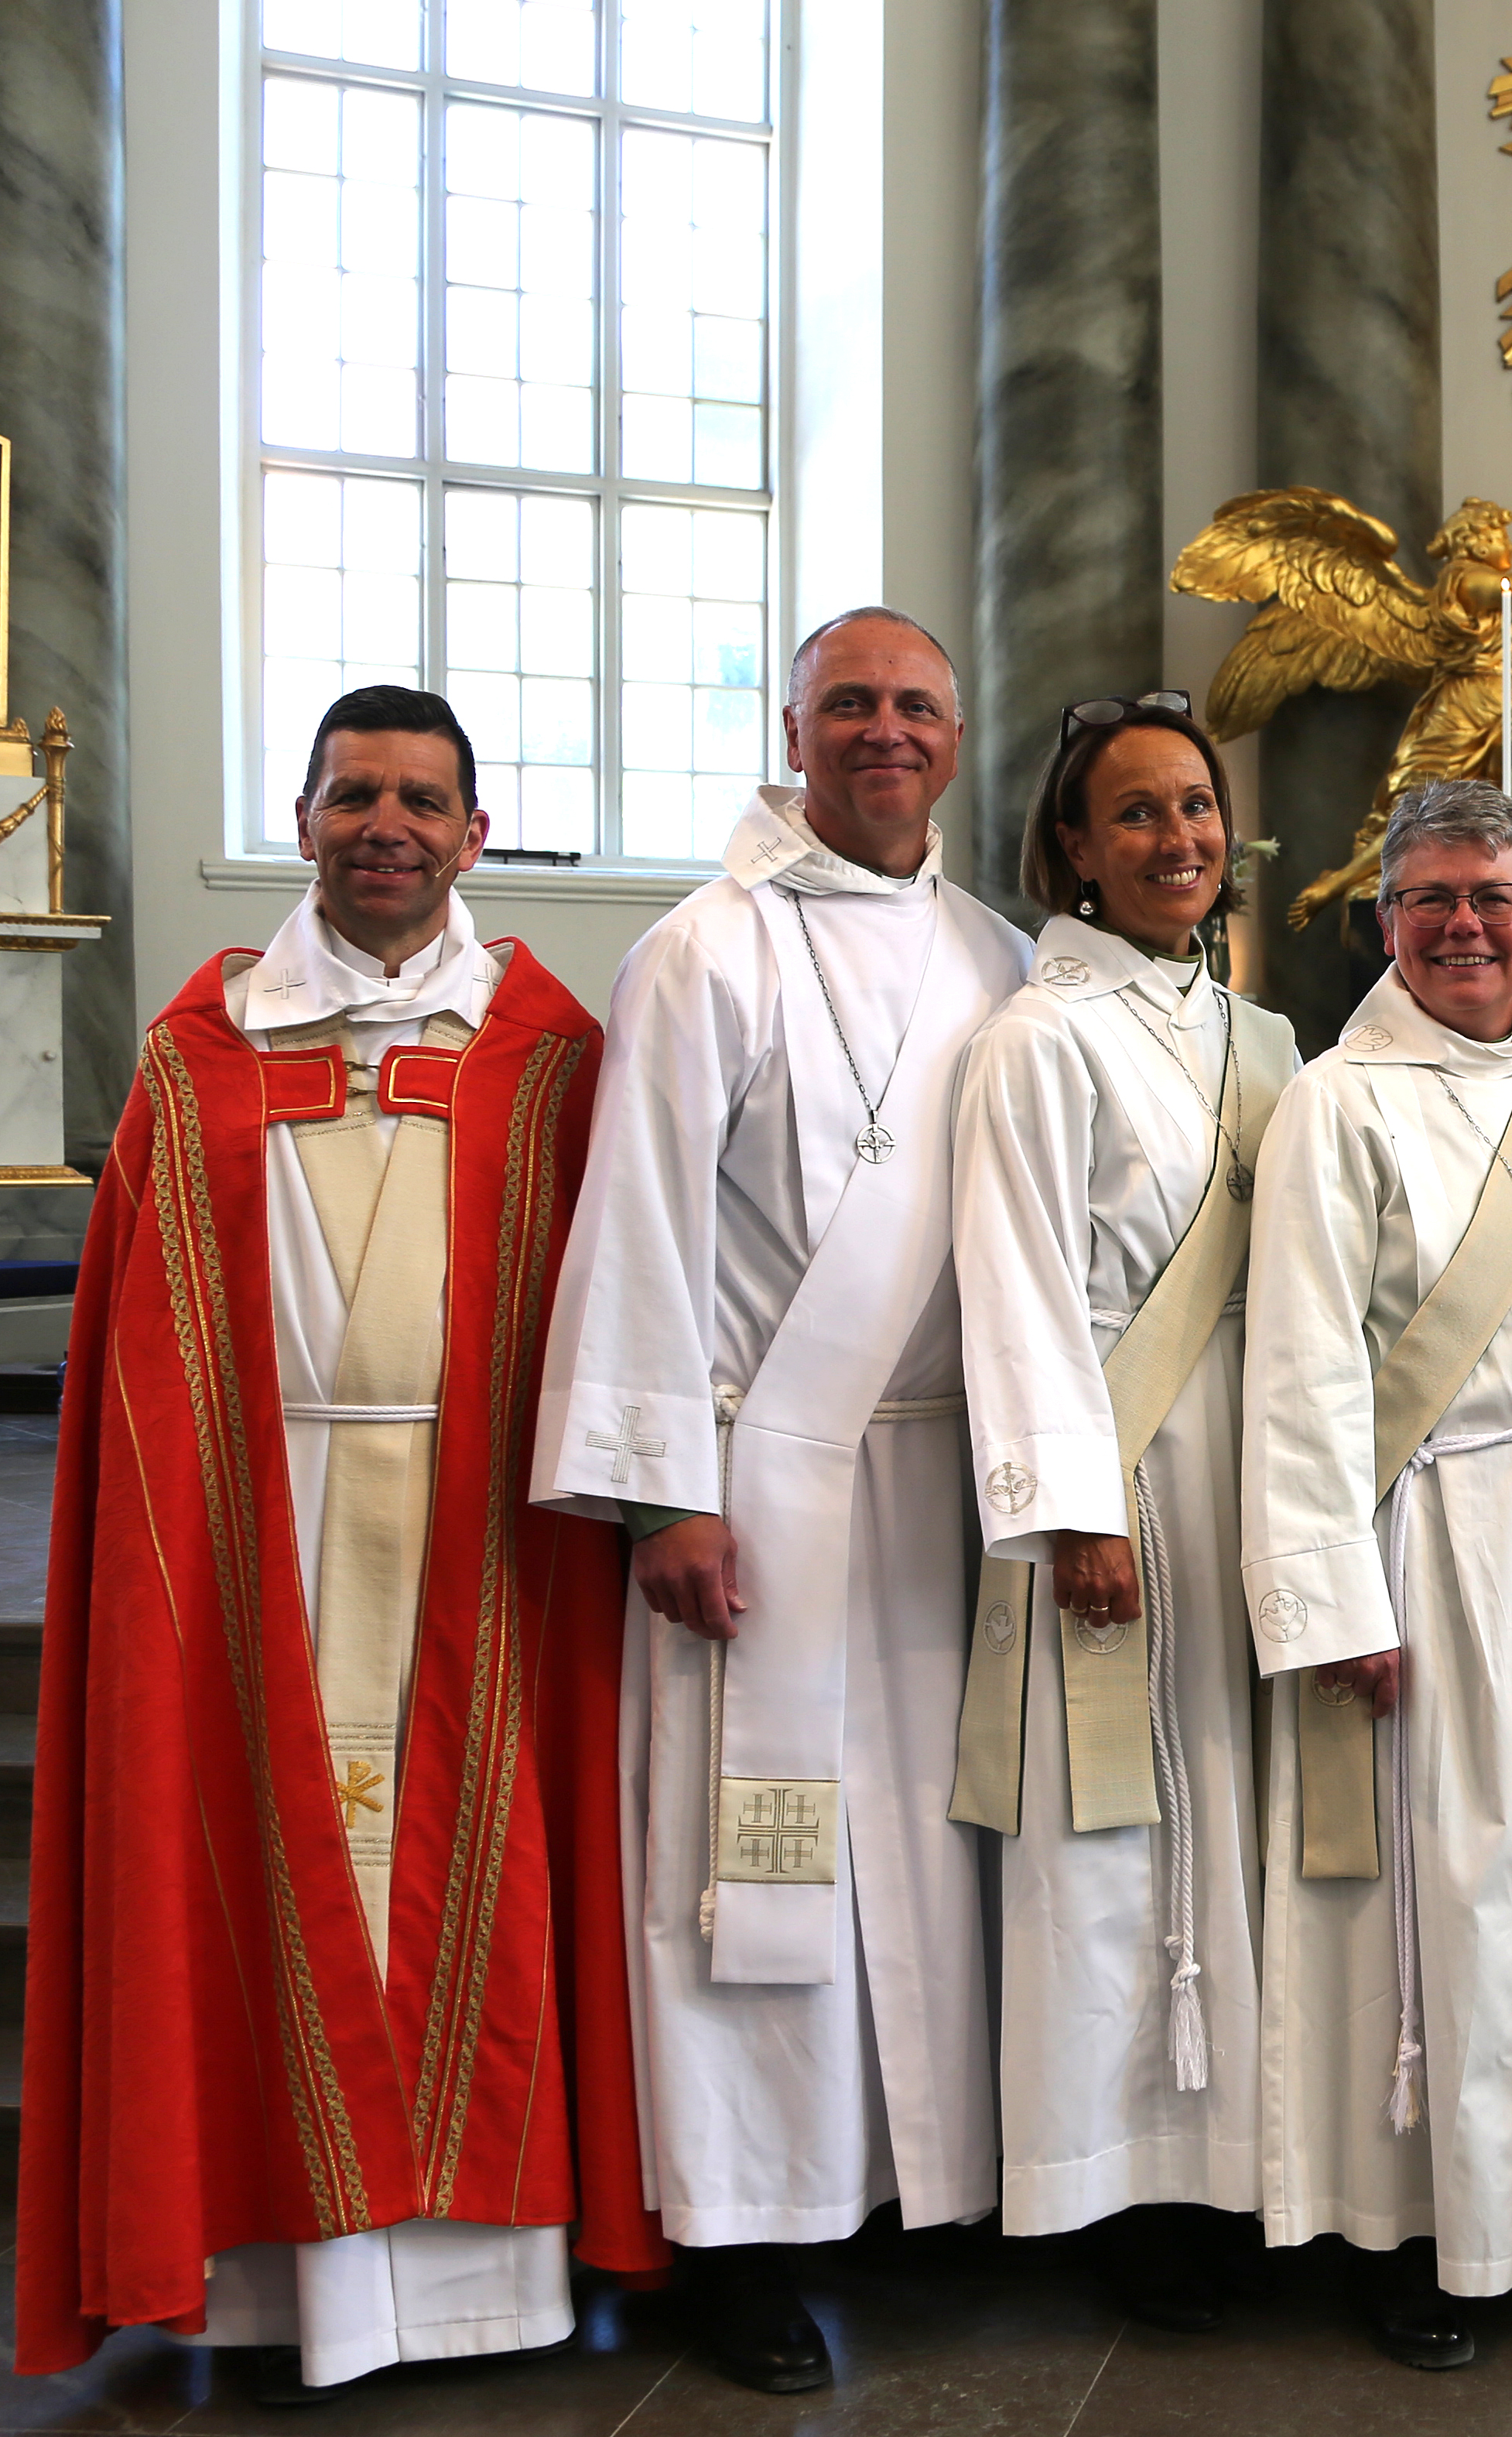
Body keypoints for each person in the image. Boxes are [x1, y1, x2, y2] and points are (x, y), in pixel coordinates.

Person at [17, 687, 659, 2395]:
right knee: (240, 1871)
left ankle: (484, 2288)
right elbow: (140, 1366)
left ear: (476, 830)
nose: (389, 824)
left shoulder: (549, 1051)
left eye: (423, 800)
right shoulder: (200, 1041)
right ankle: (269, 2289)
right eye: (355, 794)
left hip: (488, 1549)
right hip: (254, 1541)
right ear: (301, 820)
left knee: (487, 1884)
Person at [531, 608, 1031, 2391]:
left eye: (915, 707)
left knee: (920, 1845)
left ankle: (898, 2181)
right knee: (753, 1868)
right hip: (757, 1479)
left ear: (956, 743)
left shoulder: (996, 952)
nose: (884, 733)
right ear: (796, 733)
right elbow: (643, 1218)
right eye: (851, 707)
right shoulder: (704, 948)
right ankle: (740, 2232)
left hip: (936, 1482)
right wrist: (659, 1494)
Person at [1238, 779, 1512, 2369]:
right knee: (1439, 1895)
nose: (1466, 926)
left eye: (1495, 898)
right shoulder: (1342, 1098)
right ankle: (1426, 2233)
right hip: (1427, 1529)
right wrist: (1334, 1600)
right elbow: (1304, 1370)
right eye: (1433, 899)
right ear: (1384, 921)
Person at [949, 691, 1298, 2329]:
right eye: (1139, 815)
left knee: (1228, 1814)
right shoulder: (1037, 1037)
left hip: (1249, 1465)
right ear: (1074, 848)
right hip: (1119, 1463)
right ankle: (1116, 2185)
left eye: (1197, 809)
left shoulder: (1267, 1039)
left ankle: (1234, 2157)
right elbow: (1013, 1281)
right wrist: (1073, 1507)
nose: (1178, 841)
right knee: (1111, 1830)